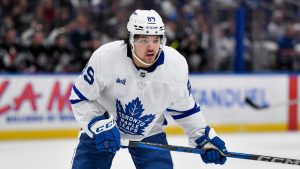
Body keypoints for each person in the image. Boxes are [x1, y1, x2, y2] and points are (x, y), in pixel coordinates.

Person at [69, 9, 228, 169]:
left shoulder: (175, 65)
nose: (151, 47)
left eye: (156, 39)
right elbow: (80, 97)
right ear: (131, 39)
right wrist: (98, 124)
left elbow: (185, 109)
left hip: (149, 131)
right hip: (101, 130)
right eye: (144, 40)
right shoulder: (106, 57)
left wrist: (203, 138)